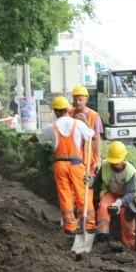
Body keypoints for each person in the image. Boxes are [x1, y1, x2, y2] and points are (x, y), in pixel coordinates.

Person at [24, 96, 96, 235]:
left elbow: (37, 138)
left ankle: (70, 226)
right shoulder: (78, 124)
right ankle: (90, 225)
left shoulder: (51, 127)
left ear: (56, 111)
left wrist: (27, 140)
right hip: (76, 164)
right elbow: (91, 136)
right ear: (67, 110)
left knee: (65, 194)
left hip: (60, 165)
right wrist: (85, 121)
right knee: (82, 194)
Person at [86, 141, 136, 250]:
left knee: (127, 223)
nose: (114, 164)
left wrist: (119, 203)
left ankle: (129, 247)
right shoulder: (106, 165)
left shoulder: (130, 171)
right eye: (113, 162)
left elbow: (131, 193)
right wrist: (91, 182)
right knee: (103, 206)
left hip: (128, 197)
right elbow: (98, 179)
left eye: (117, 162)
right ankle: (102, 236)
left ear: (123, 158)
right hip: (111, 193)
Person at [69, 84, 104, 207]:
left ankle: (87, 218)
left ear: (86, 99)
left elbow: (96, 138)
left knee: (87, 187)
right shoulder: (69, 113)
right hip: (73, 157)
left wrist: (98, 159)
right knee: (73, 187)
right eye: (75, 100)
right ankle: (76, 215)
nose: (78, 103)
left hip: (88, 160)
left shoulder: (95, 116)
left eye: (80, 99)